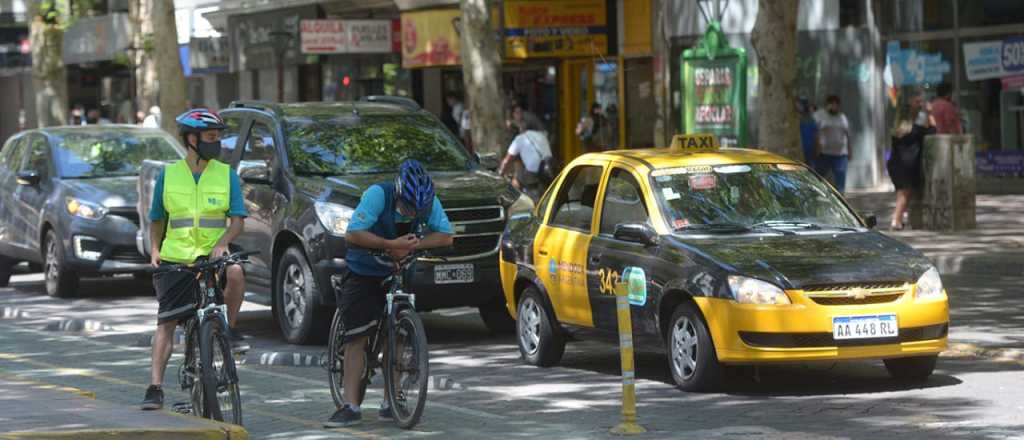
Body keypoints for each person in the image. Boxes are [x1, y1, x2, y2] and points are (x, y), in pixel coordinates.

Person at [324, 159, 454, 428]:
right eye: (407, 207)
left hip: (399, 269)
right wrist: (389, 244)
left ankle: (390, 401)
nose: (411, 213)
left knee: (397, 335)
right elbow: (353, 234)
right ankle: (350, 406)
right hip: (364, 270)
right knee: (357, 336)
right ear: (398, 192)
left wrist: (412, 246)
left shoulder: (428, 201)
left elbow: (445, 236)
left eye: (417, 209)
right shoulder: (377, 195)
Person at [140, 109, 249, 411]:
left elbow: (238, 220)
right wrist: (155, 249)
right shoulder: (169, 175)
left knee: (237, 273)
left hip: (214, 256)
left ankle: (224, 334)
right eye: (211, 138)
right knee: (167, 322)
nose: (217, 143)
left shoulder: (226, 175)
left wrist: (224, 242)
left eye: (218, 137)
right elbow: (157, 219)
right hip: (178, 258)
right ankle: (155, 387)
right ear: (192, 139)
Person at [887, 89, 935, 230]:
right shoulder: (916, 130)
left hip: (895, 164)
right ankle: (896, 220)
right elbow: (933, 131)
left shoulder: (897, 130)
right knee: (904, 194)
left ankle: (899, 220)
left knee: (902, 193)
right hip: (908, 166)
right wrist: (930, 114)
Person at [499, 116, 553, 200]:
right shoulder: (542, 135)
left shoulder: (520, 139)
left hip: (533, 173)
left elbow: (506, 161)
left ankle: (525, 203)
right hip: (549, 169)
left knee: (516, 182)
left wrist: (500, 174)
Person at [813, 95, 852, 193]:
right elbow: (814, 132)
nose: (834, 106)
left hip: (840, 154)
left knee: (840, 179)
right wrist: (816, 148)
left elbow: (847, 134)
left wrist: (850, 150)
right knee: (818, 178)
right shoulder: (819, 115)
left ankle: (841, 199)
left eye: (836, 104)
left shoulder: (842, 117)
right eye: (832, 104)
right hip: (824, 154)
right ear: (827, 105)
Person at [797, 97, 819, 165]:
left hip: (809, 150)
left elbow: (816, 136)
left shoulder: (811, 120)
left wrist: (817, 148)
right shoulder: (796, 119)